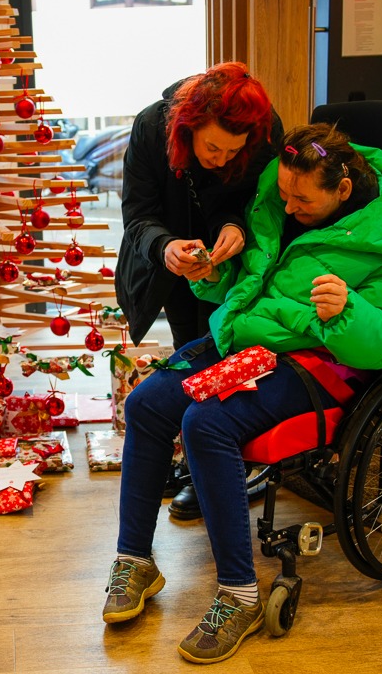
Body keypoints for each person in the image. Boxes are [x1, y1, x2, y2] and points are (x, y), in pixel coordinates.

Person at [102, 122, 382, 664]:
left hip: (319, 356)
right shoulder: (279, 201)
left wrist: (348, 311)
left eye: (301, 200)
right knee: (145, 404)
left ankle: (240, 595)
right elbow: (251, 277)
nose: (288, 206)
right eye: (283, 193)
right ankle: (134, 559)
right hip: (247, 334)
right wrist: (212, 271)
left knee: (206, 424)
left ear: (342, 190)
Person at [115, 61, 283, 518]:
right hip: (174, 263)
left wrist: (237, 226)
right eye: (212, 147)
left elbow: (262, 200)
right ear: (187, 126)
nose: (222, 160)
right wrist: (165, 247)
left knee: (235, 360)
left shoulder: (263, 130)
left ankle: (221, 471)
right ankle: (196, 465)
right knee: (189, 353)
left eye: (233, 151)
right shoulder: (151, 127)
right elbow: (138, 215)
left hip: (238, 264)